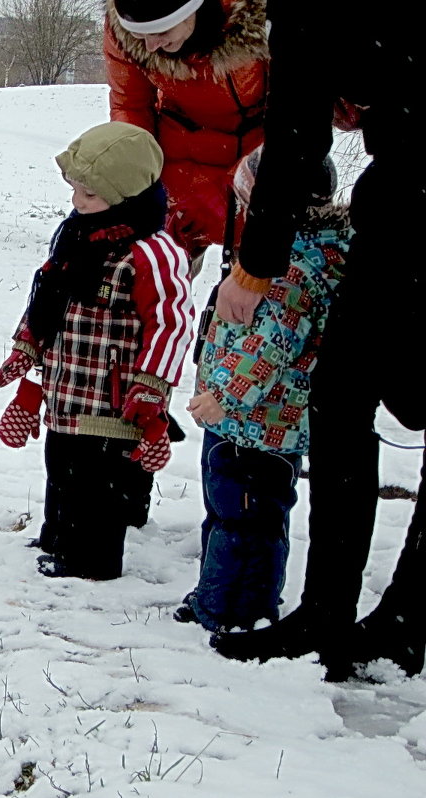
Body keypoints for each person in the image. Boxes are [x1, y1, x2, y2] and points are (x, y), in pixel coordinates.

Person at [211, 2, 426, 679]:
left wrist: (254, 266)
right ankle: (380, 617)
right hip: (407, 202)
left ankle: (350, 614)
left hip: (413, 209)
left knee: (341, 398)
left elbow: (296, 134)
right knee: (343, 396)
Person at [0, 121, 195, 581]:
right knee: (61, 466)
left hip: (114, 398)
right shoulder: (77, 238)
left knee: (97, 481)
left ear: (126, 196)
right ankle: (58, 538)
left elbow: (172, 324)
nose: (78, 203)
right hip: (67, 387)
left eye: (91, 195)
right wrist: (28, 348)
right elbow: (46, 297)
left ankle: (91, 561)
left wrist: (151, 386)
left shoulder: (151, 253)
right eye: (75, 190)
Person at [177, 147, 347, 632]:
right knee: (230, 511)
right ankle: (216, 593)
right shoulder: (294, 252)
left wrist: (223, 395)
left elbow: (268, 346)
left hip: (259, 422)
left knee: (246, 519)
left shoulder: (289, 268)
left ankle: (238, 608)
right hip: (254, 422)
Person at [104, 0, 268, 270]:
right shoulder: (123, 29)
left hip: (256, 166)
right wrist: (135, 184)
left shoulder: (263, 25)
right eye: (138, 35)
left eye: (160, 32)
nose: (149, 46)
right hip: (174, 160)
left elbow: (290, 125)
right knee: (145, 275)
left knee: (254, 289)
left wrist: (231, 193)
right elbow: (130, 107)